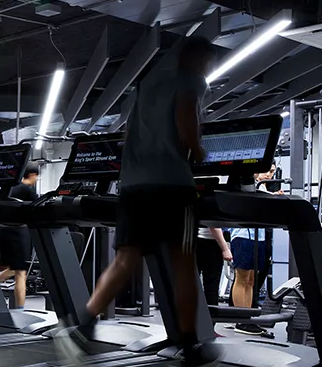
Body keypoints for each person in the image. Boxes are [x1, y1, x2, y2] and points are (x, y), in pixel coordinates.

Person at [55, 37, 223, 366]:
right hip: (173, 185)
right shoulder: (192, 80)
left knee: (124, 260)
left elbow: (130, 135)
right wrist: (199, 151)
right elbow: (186, 117)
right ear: (200, 58)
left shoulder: (147, 86)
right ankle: (190, 343)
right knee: (184, 265)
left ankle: (79, 325)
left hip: (132, 186)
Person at [228, 162, 280, 338]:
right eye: (267, 171)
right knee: (242, 278)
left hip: (259, 236)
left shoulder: (263, 189)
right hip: (243, 235)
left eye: (272, 172)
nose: (269, 174)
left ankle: (248, 318)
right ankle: (241, 320)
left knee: (251, 280)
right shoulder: (248, 188)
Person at [0, 162, 39, 310]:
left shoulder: (9, 188)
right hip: (19, 232)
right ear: (33, 175)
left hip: (4, 231)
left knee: (13, 269)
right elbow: (39, 208)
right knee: (20, 272)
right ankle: (20, 310)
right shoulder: (28, 190)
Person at [196, 227, 232, 306]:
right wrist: (225, 248)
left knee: (209, 286)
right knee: (211, 286)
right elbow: (214, 226)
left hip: (203, 239)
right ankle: (211, 315)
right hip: (208, 240)